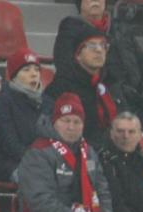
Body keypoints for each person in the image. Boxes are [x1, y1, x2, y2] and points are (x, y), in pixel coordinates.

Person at [18, 93, 132, 212]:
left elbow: (103, 192)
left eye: (77, 122)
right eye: (66, 121)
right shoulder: (38, 153)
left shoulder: (89, 152)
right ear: (54, 121)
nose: (71, 127)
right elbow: (41, 204)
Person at [65, 0, 143, 132]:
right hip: (112, 99)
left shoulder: (121, 30)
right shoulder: (74, 33)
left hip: (141, 96)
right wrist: (119, 89)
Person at [44, 16, 126, 145]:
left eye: (103, 45)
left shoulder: (110, 85)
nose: (99, 50)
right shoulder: (61, 87)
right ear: (78, 55)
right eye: (92, 45)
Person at [0, 49, 45, 183]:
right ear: (14, 76)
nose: (33, 74)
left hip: (40, 162)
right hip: (7, 165)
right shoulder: (3, 101)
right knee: (43, 179)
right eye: (26, 70)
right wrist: (39, 160)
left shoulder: (46, 102)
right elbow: (9, 144)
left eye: (36, 70)